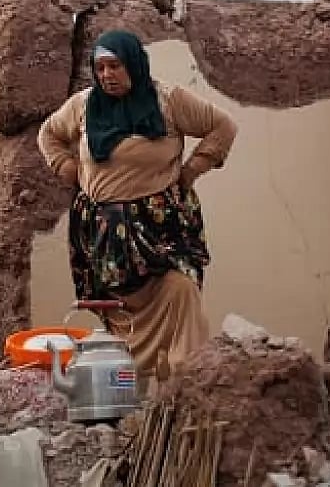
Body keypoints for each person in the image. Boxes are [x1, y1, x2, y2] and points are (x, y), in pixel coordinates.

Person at [37, 29, 238, 382]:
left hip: (162, 228)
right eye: (99, 68)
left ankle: (183, 384)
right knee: (119, 309)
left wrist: (193, 169)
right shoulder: (84, 105)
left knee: (181, 287)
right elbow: (48, 135)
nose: (107, 76)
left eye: (115, 66)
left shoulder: (168, 100)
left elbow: (222, 126)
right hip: (105, 236)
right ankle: (132, 388)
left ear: (133, 63)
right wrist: (66, 168)